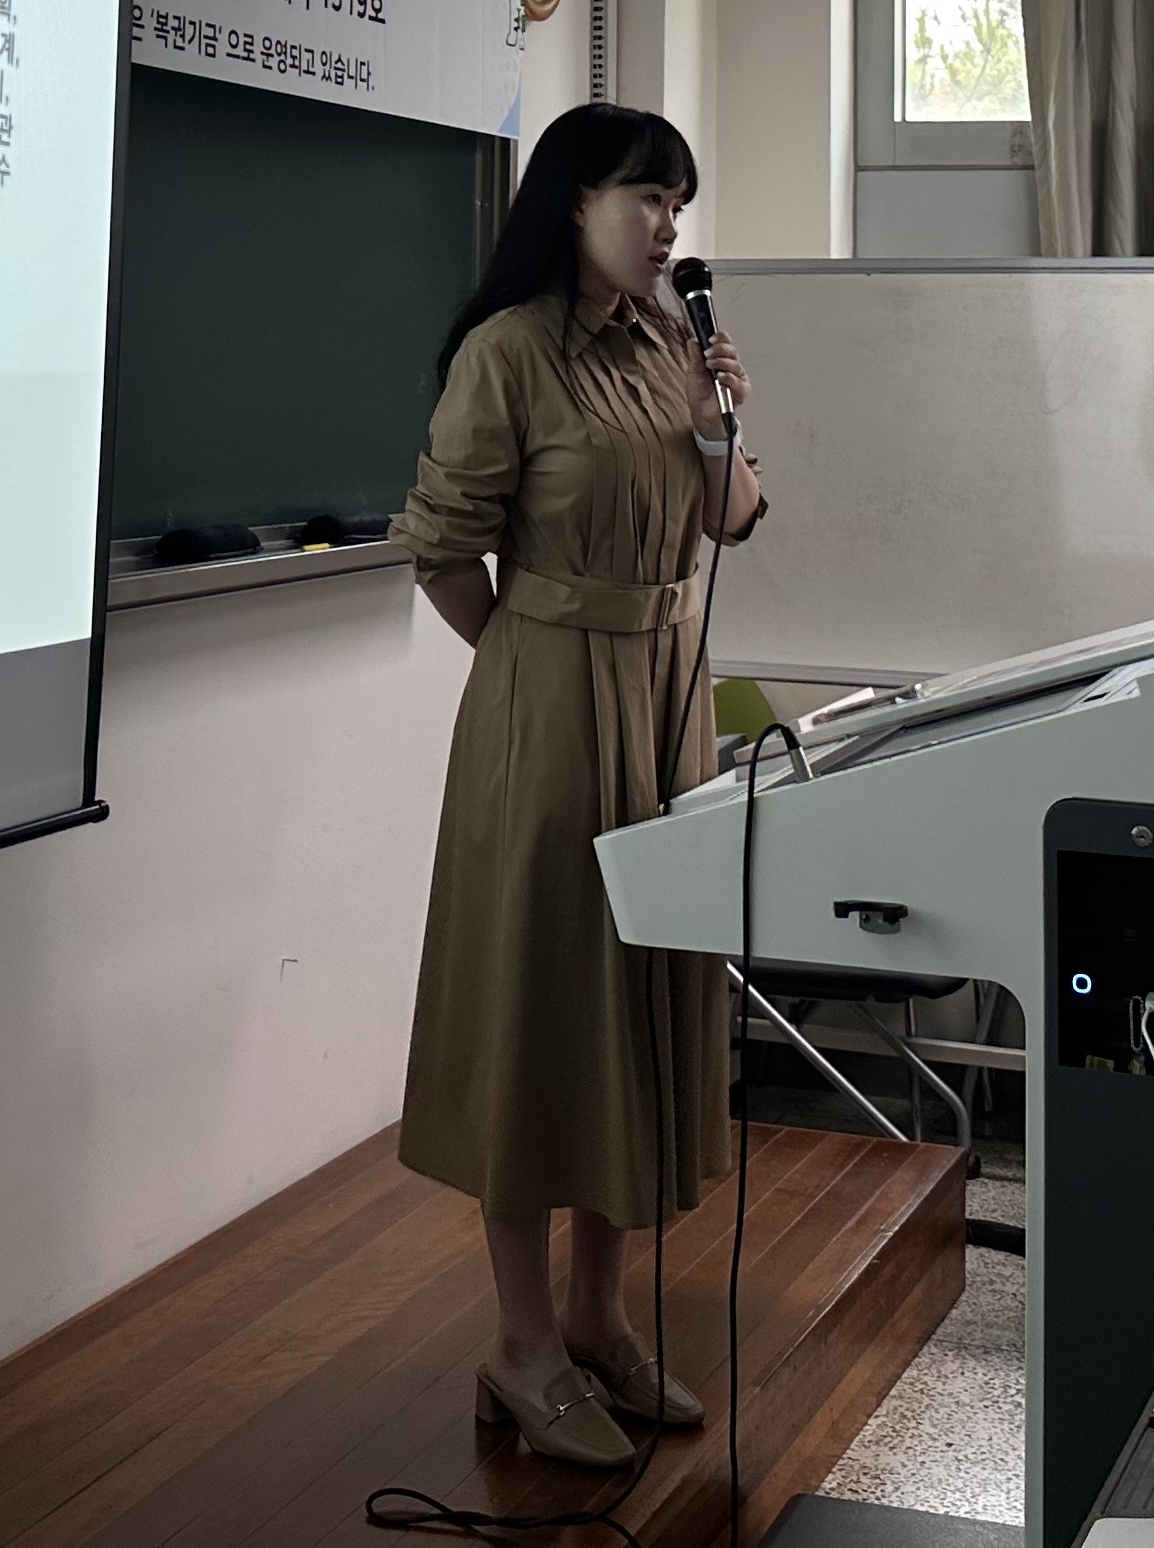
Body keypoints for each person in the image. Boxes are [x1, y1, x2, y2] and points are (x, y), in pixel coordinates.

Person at [395, 103, 766, 1473]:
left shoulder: (673, 348)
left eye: (678, 202)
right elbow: (443, 549)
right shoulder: (508, 353)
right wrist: (532, 665)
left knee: (643, 1007)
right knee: (540, 1009)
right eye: (644, 197)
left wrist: (722, 422)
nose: (667, 226)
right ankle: (522, 1342)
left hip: (669, 700)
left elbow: (733, 516)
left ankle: (601, 1321)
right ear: (572, 201)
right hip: (550, 709)